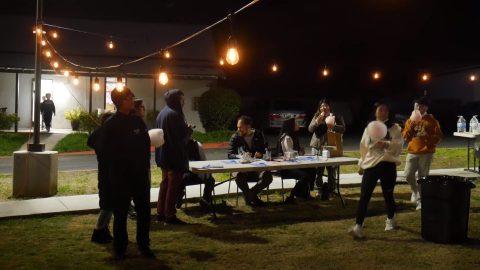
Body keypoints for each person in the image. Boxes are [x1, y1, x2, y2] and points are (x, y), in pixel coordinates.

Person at [100, 87, 153, 259]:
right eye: (131, 97)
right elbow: (105, 152)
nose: (133, 100)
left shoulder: (137, 122)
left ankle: (144, 246)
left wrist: (144, 167)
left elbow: (146, 147)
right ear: (122, 101)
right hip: (121, 177)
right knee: (121, 214)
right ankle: (120, 249)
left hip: (139, 176)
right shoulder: (111, 124)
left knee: (144, 212)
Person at [349, 102, 403, 239]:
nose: (383, 112)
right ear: (375, 112)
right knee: (364, 195)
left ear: (389, 112)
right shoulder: (369, 128)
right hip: (371, 165)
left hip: (387, 164)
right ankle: (358, 226)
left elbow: (399, 147)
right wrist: (361, 164)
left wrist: (386, 144)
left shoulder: (395, 128)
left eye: (385, 110)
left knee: (388, 194)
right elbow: (363, 147)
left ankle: (391, 219)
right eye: (380, 110)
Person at [155, 89, 193, 225]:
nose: (183, 102)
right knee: (172, 186)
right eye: (182, 99)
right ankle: (170, 215)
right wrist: (188, 130)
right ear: (177, 100)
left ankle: (160, 213)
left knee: (165, 184)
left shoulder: (162, 113)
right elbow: (180, 136)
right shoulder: (175, 115)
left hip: (163, 154)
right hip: (174, 155)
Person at [402, 97, 443, 210]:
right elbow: (405, 136)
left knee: (422, 177)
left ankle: (421, 200)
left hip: (426, 152)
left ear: (426, 107)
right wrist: (411, 126)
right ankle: (415, 191)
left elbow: (439, 138)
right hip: (412, 151)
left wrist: (427, 136)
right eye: (417, 105)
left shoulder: (432, 120)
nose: (419, 107)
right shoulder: (410, 120)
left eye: (421, 105)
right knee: (408, 175)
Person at [228, 115, 273, 207]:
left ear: (248, 126)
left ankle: (250, 195)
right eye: (237, 127)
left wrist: (260, 153)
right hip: (241, 166)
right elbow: (230, 154)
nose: (238, 129)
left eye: (240, 127)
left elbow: (265, 149)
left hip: (257, 165)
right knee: (240, 177)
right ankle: (252, 198)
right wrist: (240, 156)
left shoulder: (258, 134)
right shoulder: (235, 137)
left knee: (268, 176)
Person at [308, 99, 345, 198]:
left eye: (325, 105)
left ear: (329, 106)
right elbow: (310, 129)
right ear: (319, 108)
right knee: (318, 171)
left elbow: (343, 129)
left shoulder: (336, 116)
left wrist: (333, 126)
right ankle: (318, 190)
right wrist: (317, 122)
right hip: (317, 146)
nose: (323, 107)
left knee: (332, 170)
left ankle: (331, 190)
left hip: (331, 146)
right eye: (321, 106)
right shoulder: (317, 116)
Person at [88, 112, 114, 244]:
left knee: (109, 203)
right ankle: (98, 231)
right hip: (107, 172)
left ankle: (104, 230)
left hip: (105, 172)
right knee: (108, 204)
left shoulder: (100, 135)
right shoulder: (104, 136)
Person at [277, 118, 316, 204]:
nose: (298, 125)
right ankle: (293, 194)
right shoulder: (286, 137)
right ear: (291, 125)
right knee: (305, 176)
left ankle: (306, 193)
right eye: (296, 123)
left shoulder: (293, 135)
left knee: (312, 169)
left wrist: (300, 152)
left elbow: (296, 154)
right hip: (287, 167)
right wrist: (298, 153)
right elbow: (289, 154)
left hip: (295, 164)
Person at [176, 138, 216, 210]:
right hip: (184, 173)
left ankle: (205, 200)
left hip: (197, 172)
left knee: (210, 180)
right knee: (179, 179)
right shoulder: (177, 145)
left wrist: (205, 173)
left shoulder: (197, 144)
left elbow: (204, 161)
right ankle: (178, 198)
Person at [127, 99, 147, 220]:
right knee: (135, 187)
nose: (144, 109)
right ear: (137, 109)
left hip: (139, 160)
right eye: (142, 107)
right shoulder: (134, 121)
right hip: (136, 161)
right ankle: (131, 208)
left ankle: (133, 207)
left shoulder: (138, 121)